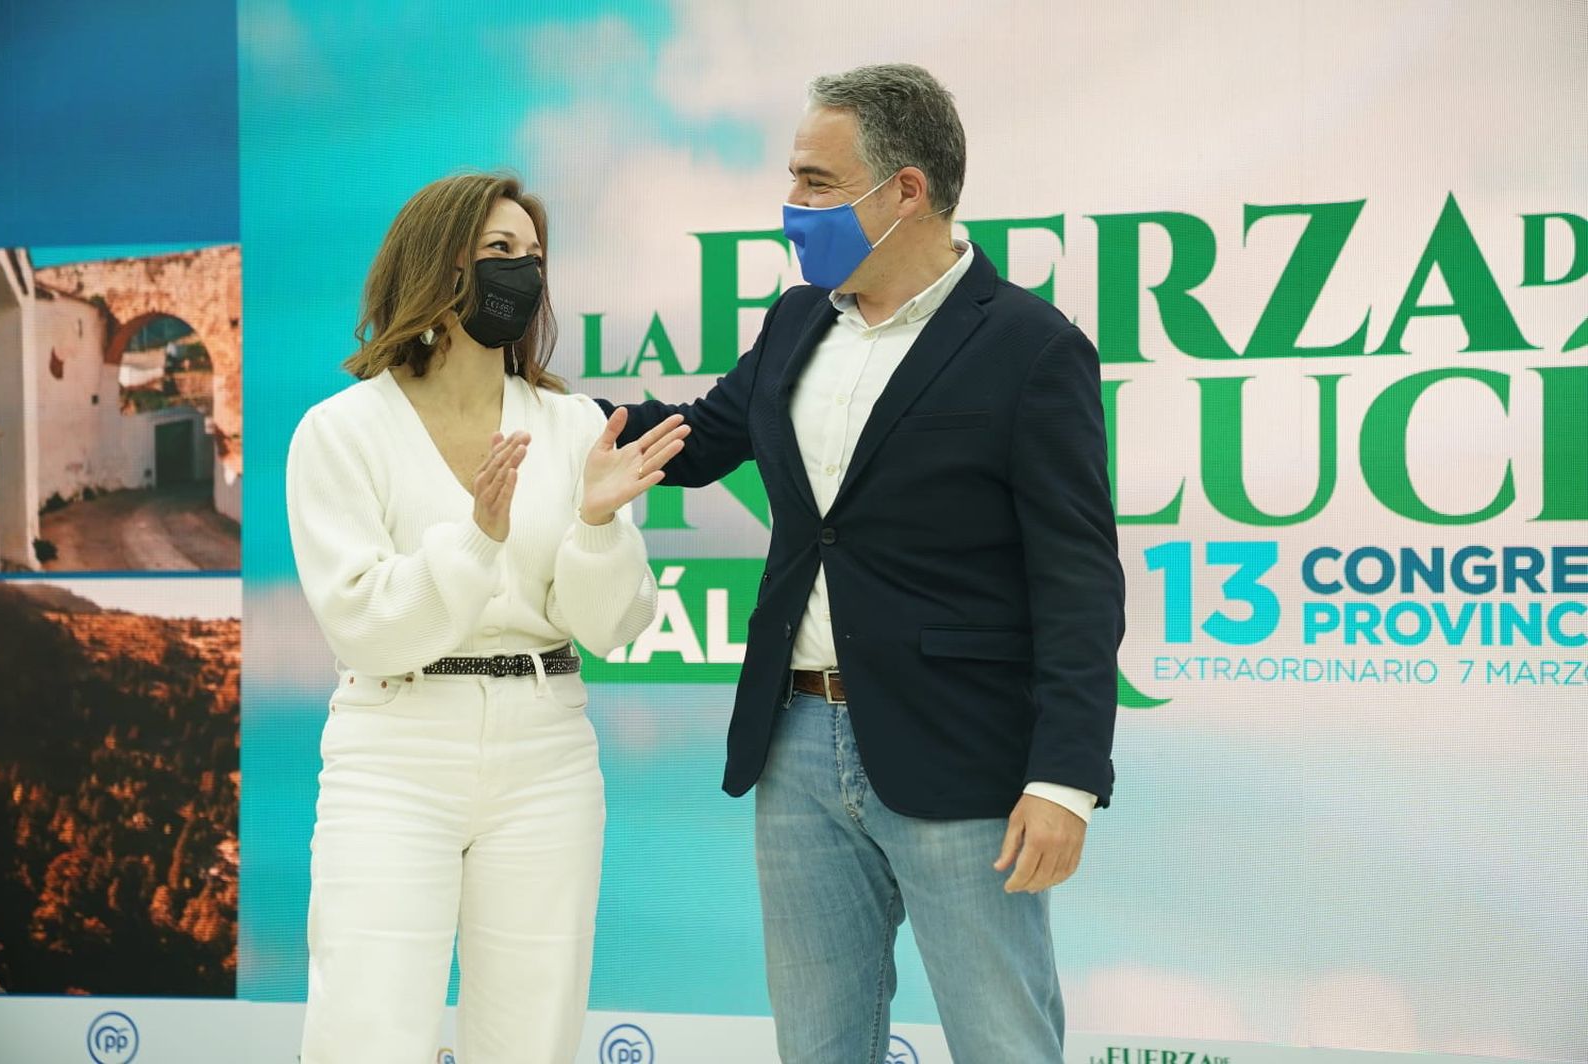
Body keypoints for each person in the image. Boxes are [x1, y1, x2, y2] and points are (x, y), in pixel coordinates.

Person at [603, 64, 1125, 1063]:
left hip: (959, 749)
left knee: (1004, 1040)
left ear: (906, 191)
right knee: (817, 1045)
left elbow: (1077, 576)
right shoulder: (798, 320)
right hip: (791, 740)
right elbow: (698, 438)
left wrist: (1064, 777)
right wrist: (525, 411)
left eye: (814, 182)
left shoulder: (1028, 345)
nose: (791, 207)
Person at [285, 172, 688, 1064]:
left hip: (546, 752)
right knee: (367, 1029)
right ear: (437, 267)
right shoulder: (341, 431)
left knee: (532, 1032)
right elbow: (364, 626)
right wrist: (474, 541)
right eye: (499, 252)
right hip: (395, 750)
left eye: (534, 257)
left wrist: (594, 526)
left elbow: (613, 624)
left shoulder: (576, 422)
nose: (523, 273)